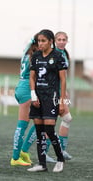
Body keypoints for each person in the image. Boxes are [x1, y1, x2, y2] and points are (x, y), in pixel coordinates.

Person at [27, 29, 67, 173]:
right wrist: (33, 96)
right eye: (39, 41)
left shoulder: (58, 56)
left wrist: (62, 101)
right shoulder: (36, 56)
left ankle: (60, 159)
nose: (40, 43)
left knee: (49, 129)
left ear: (51, 41)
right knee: (39, 131)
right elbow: (32, 77)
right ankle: (41, 164)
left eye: (43, 41)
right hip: (37, 97)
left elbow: (63, 80)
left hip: (51, 97)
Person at [10, 36, 38, 166]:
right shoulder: (35, 56)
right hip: (27, 88)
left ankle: (23, 152)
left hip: (21, 86)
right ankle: (16, 157)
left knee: (40, 122)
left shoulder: (27, 52)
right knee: (23, 125)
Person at [55, 31, 73, 160]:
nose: (61, 41)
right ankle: (44, 153)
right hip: (53, 93)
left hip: (61, 92)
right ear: (55, 41)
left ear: (67, 41)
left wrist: (65, 91)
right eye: (59, 39)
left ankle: (61, 150)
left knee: (67, 118)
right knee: (48, 122)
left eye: (63, 39)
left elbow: (63, 76)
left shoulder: (64, 54)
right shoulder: (53, 54)